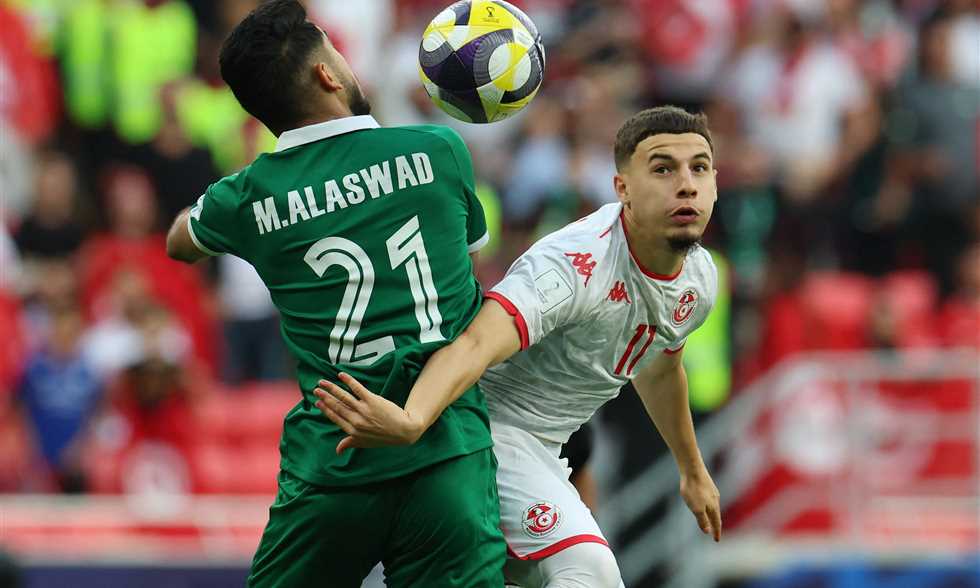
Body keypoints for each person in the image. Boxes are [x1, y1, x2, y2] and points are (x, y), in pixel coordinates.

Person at [164, 2, 505, 586]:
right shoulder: (438, 150)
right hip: (447, 454)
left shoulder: (247, 197)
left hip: (334, 464)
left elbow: (179, 242)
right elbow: (465, 273)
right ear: (326, 74)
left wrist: (233, 206)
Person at [316, 106, 723, 588]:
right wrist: (411, 418)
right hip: (480, 430)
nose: (686, 185)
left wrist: (692, 470)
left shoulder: (699, 278)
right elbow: (476, 342)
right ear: (622, 189)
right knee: (589, 570)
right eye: (663, 169)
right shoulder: (575, 263)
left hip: (545, 447)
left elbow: (658, 368)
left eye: (699, 168)